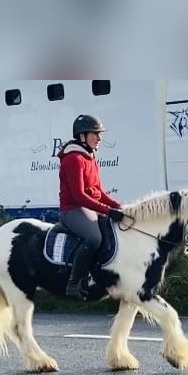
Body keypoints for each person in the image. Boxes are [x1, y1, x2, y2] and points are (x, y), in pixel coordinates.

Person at [58, 114, 125, 299]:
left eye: (99, 134)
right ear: (82, 136)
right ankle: (74, 283)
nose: (99, 138)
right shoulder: (74, 159)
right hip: (72, 210)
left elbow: (99, 193)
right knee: (94, 238)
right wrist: (108, 211)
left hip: (89, 208)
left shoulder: (90, 158)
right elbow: (79, 196)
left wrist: (120, 207)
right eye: (95, 134)